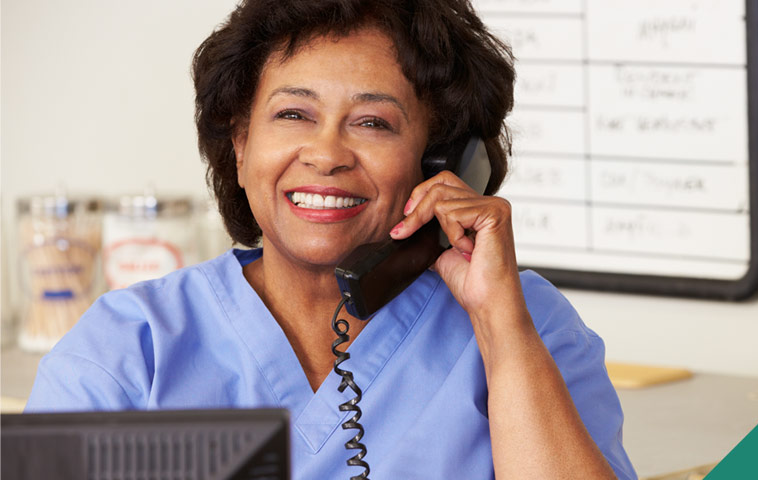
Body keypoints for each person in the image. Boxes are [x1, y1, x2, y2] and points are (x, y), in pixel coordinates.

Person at [26, 0, 637, 478]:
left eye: (373, 122)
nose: (325, 155)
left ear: (440, 163)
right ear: (239, 146)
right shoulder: (126, 352)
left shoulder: (530, 326)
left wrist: (502, 331)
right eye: (294, 114)